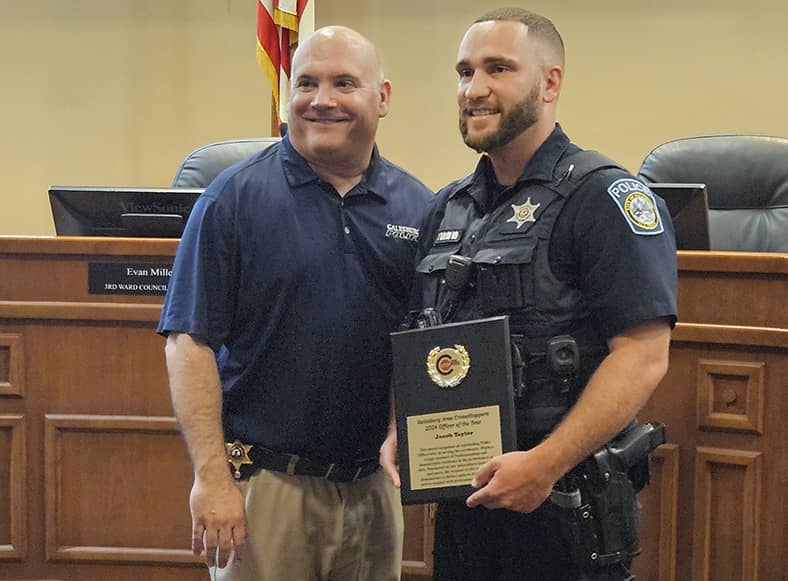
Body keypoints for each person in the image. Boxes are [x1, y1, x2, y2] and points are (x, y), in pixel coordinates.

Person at [379, 7, 677, 581]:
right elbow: (432, 341)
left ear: (550, 82)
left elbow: (643, 356)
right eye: (464, 72)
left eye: (498, 69)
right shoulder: (448, 208)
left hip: (566, 506)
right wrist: (403, 428)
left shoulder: (604, 198)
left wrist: (543, 465)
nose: (474, 89)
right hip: (467, 505)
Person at [158, 26, 432, 581]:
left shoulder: (421, 206)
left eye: (343, 82)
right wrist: (211, 478)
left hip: (373, 489)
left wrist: (409, 425)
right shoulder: (232, 199)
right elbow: (190, 341)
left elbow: (425, 338)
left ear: (382, 97)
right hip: (266, 487)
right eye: (306, 82)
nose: (322, 99)